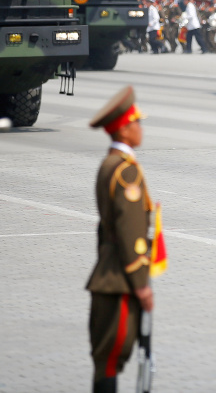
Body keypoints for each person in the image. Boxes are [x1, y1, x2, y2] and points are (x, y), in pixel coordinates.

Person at [87, 86, 155, 393]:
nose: (141, 129)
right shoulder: (126, 172)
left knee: (107, 360)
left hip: (108, 271)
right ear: (125, 129)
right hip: (120, 280)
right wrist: (141, 284)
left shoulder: (109, 165)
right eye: (137, 123)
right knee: (112, 359)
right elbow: (130, 233)